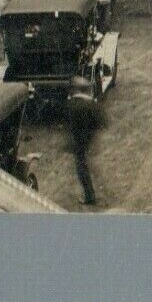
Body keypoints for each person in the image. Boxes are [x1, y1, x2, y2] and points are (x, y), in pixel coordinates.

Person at [66, 76, 103, 206]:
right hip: (88, 139)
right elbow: (100, 121)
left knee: (82, 168)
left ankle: (90, 196)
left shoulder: (73, 104)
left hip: (79, 141)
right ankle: (91, 192)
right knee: (86, 165)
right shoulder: (91, 103)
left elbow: (71, 126)